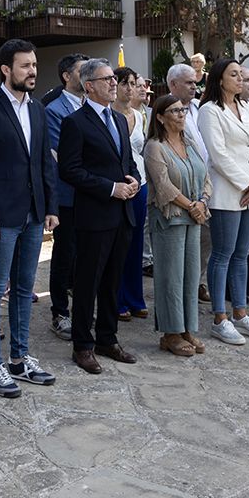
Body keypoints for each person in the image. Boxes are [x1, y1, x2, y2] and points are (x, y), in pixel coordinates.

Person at [0, 39, 59, 398]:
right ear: (6, 70)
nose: (32, 71)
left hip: (34, 214)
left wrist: (51, 207)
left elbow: (43, 162)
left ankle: (20, 358)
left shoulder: (37, 109)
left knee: (25, 288)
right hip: (0, 218)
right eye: (25, 65)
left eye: (34, 64)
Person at [59, 58, 142, 374]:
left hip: (122, 214)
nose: (114, 83)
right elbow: (70, 170)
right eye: (107, 79)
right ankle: (82, 345)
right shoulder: (75, 123)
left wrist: (132, 178)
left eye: (114, 79)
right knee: (87, 283)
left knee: (112, 281)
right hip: (94, 216)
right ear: (89, 85)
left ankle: (108, 338)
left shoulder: (119, 120)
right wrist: (110, 188)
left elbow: (127, 161)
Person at [197, 59, 249, 346]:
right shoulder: (209, 111)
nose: (241, 79)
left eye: (242, 74)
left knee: (243, 255)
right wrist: (248, 183)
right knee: (223, 254)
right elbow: (218, 155)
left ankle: (240, 313)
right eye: (234, 75)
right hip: (228, 194)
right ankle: (220, 318)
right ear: (220, 79)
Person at [144, 94, 212, 357]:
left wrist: (203, 202)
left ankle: (186, 328)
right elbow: (163, 186)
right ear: (160, 117)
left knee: (191, 275)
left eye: (183, 110)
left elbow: (206, 176)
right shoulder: (155, 146)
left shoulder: (191, 142)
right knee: (171, 276)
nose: (181, 114)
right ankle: (170, 333)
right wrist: (192, 206)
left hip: (195, 217)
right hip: (171, 218)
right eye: (174, 111)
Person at [44, 52, 89, 340]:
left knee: (88, 255)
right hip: (69, 195)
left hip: (94, 195)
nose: (88, 75)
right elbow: (61, 157)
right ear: (66, 76)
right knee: (65, 254)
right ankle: (60, 312)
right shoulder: (54, 110)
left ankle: (84, 309)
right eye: (82, 70)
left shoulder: (95, 105)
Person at [166, 63, 211, 303]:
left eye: (196, 82)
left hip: (203, 186)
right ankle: (181, 288)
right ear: (173, 84)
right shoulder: (163, 111)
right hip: (180, 188)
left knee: (205, 241)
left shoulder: (198, 108)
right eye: (189, 82)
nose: (195, 86)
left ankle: (198, 283)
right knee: (182, 245)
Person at [112, 66, 149, 321]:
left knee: (136, 242)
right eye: (123, 83)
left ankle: (136, 297)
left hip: (140, 183)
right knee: (118, 246)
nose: (128, 88)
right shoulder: (108, 114)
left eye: (132, 83)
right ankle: (117, 298)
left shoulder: (139, 115)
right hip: (116, 185)